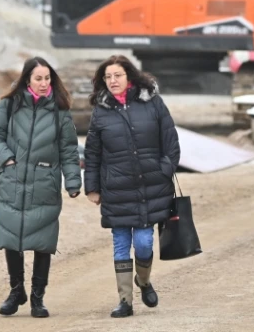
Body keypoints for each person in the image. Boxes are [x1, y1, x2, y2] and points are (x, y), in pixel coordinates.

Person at [83, 55, 181, 318]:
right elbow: (92, 153)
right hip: (115, 188)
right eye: (108, 77)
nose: (112, 81)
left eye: (117, 75)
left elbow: (170, 140)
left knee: (144, 242)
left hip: (149, 185)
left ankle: (144, 281)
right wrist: (92, 187)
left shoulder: (152, 103)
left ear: (129, 76)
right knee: (121, 244)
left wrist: (164, 169)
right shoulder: (101, 110)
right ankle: (125, 300)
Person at [0, 56, 82, 318]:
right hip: (12, 181)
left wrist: (73, 181)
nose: (43, 83)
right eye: (38, 78)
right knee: (10, 236)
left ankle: (38, 298)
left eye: (47, 78)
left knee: (42, 241)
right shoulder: (8, 104)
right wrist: (6, 157)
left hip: (45, 184)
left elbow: (69, 150)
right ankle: (17, 291)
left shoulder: (60, 110)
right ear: (27, 79)